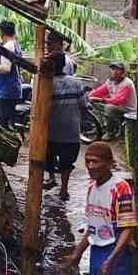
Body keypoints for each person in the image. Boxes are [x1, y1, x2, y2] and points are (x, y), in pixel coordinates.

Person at [73, 141, 138, 275]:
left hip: (115, 254)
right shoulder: (92, 187)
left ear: (109, 163)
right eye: (88, 161)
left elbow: (127, 229)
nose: (91, 166)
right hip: (97, 252)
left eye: (96, 161)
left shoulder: (121, 188)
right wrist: (77, 253)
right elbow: (92, 226)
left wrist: (111, 259)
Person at [47, 52, 87, 198]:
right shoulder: (76, 83)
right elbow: (83, 104)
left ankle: (51, 177)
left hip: (50, 131)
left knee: (49, 157)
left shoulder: (45, 84)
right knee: (67, 162)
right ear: (64, 65)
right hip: (71, 131)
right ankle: (64, 189)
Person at [88, 62, 136, 139]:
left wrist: (101, 100)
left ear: (123, 72)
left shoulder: (126, 83)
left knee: (109, 108)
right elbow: (99, 91)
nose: (114, 71)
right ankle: (101, 126)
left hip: (127, 109)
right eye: (113, 69)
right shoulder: (110, 81)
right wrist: (90, 96)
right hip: (116, 106)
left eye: (118, 69)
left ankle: (110, 132)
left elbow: (118, 100)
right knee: (92, 102)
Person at [0, 20, 24, 128]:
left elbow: (6, 68)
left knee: (3, 124)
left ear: (2, 32)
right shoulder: (15, 44)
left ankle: (6, 143)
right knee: (8, 120)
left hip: (7, 91)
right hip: (12, 88)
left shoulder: (8, 46)